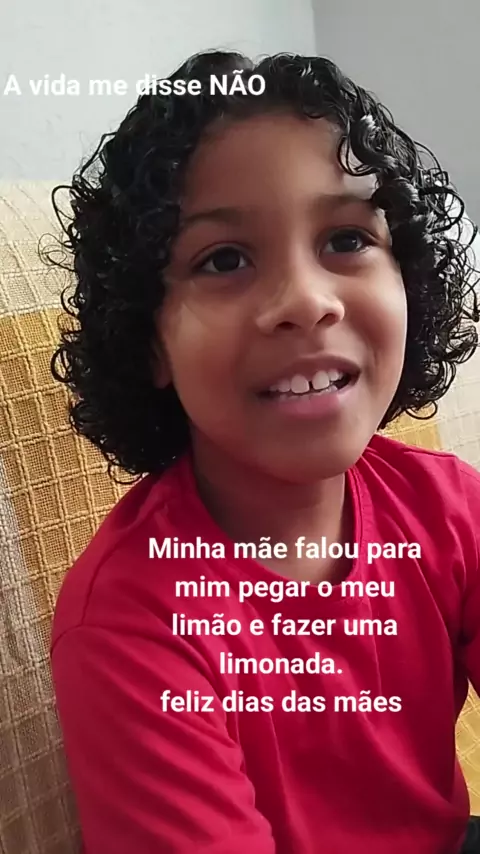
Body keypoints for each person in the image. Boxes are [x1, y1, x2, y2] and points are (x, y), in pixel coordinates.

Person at [49, 50, 480, 853]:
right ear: (149, 339)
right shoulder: (130, 622)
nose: (307, 302)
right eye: (224, 259)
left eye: (346, 238)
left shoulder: (452, 509)